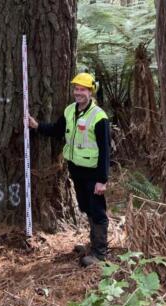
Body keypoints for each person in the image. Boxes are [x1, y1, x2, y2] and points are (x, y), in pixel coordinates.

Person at [29, 72, 110, 267]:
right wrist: (37, 126)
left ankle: (100, 254)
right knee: (86, 207)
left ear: (91, 91)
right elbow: (57, 130)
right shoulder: (70, 111)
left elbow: (105, 151)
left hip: (93, 172)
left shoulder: (99, 117)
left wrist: (102, 180)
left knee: (97, 210)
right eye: (76, 89)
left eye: (82, 89)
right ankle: (93, 246)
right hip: (76, 170)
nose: (78, 93)